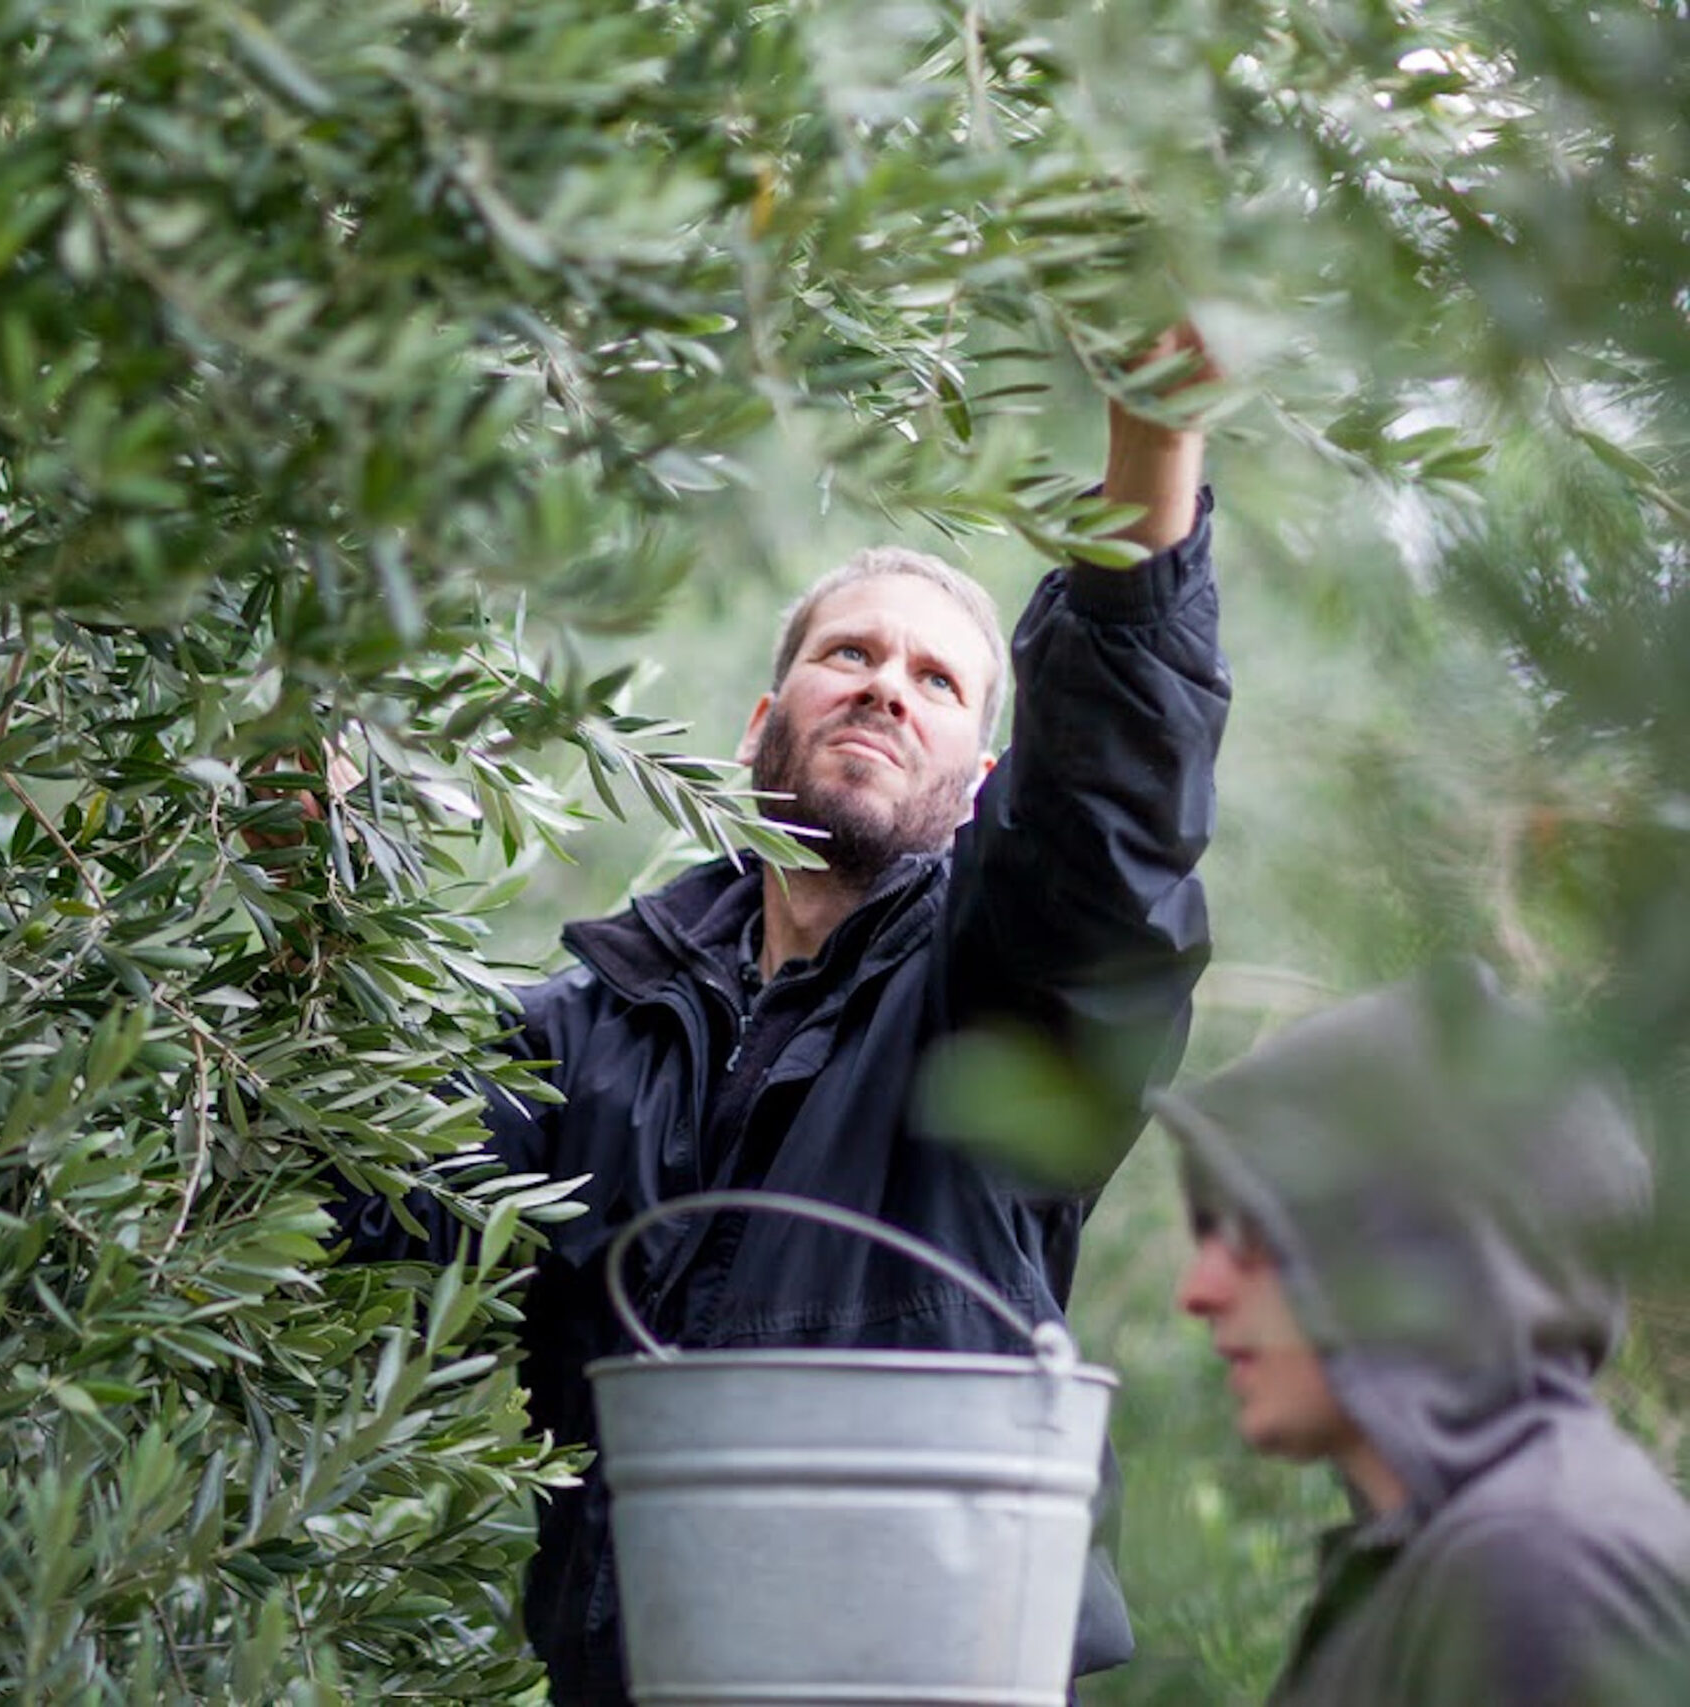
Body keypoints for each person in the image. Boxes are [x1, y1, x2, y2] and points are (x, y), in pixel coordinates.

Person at [329, 326, 1232, 1703]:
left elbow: (1107, 826)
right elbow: (371, 1181)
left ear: (986, 778)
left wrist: (1153, 444)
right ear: (764, 714)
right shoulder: (590, 1028)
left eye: (936, 680)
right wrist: (309, 854)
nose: (886, 683)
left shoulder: (1001, 1005)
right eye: (850, 653)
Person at [1157, 963, 1690, 1706]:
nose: (1199, 1290)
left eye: (1258, 1230)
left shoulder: (1549, 1568)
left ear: (1422, 1244)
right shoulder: (1440, 1564)